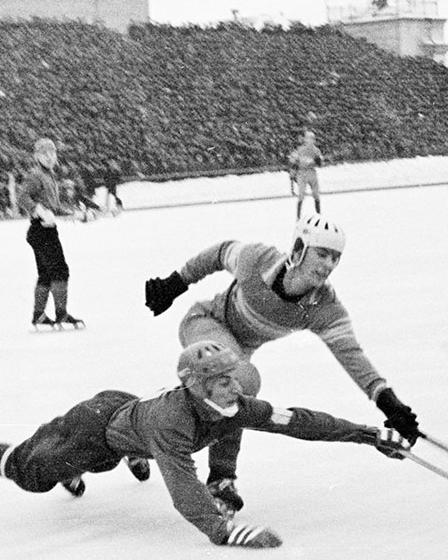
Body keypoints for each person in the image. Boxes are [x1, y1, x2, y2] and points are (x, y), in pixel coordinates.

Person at [0, 341, 409, 548]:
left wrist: (368, 435)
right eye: (221, 381)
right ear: (195, 385)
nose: (235, 388)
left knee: (130, 447)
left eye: (234, 378)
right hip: (92, 430)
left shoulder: (234, 405)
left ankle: (121, 459)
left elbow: (299, 422)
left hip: (126, 414)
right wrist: (222, 531)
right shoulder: (173, 423)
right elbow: (183, 489)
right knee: (31, 472)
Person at [143, 214, 424, 515]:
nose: (329, 265)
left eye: (335, 258)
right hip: (204, 323)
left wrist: (389, 403)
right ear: (300, 248)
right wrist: (175, 283)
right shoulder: (256, 260)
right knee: (240, 382)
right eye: (322, 253)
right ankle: (221, 475)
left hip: (236, 353)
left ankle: (146, 423)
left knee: (232, 387)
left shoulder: (323, 307)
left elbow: (351, 355)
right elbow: (221, 252)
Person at [16, 137, 82, 329]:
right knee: (60, 270)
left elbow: (54, 207)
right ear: (37, 156)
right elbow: (22, 197)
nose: (49, 157)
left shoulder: (49, 175)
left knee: (45, 273)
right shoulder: (36, 175)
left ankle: (39, 315)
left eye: (52, 153)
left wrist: (75, 214)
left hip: (45, 231)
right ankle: (61, 314)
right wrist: (38, 210)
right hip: (40, 230)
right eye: (44, 153)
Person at [287, 129, 324, 219]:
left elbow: (321, 163)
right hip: (301, 173)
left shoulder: (316, 150)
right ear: (305, 140)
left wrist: (318, 161)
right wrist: (292, 175)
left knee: (316, 194)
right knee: (301, 195)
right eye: (308, 139)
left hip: (312, 172)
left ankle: (319, 215)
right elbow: (294, 163)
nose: (310, 141)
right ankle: (298, 217)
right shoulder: (300, 150)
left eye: (312, 139)